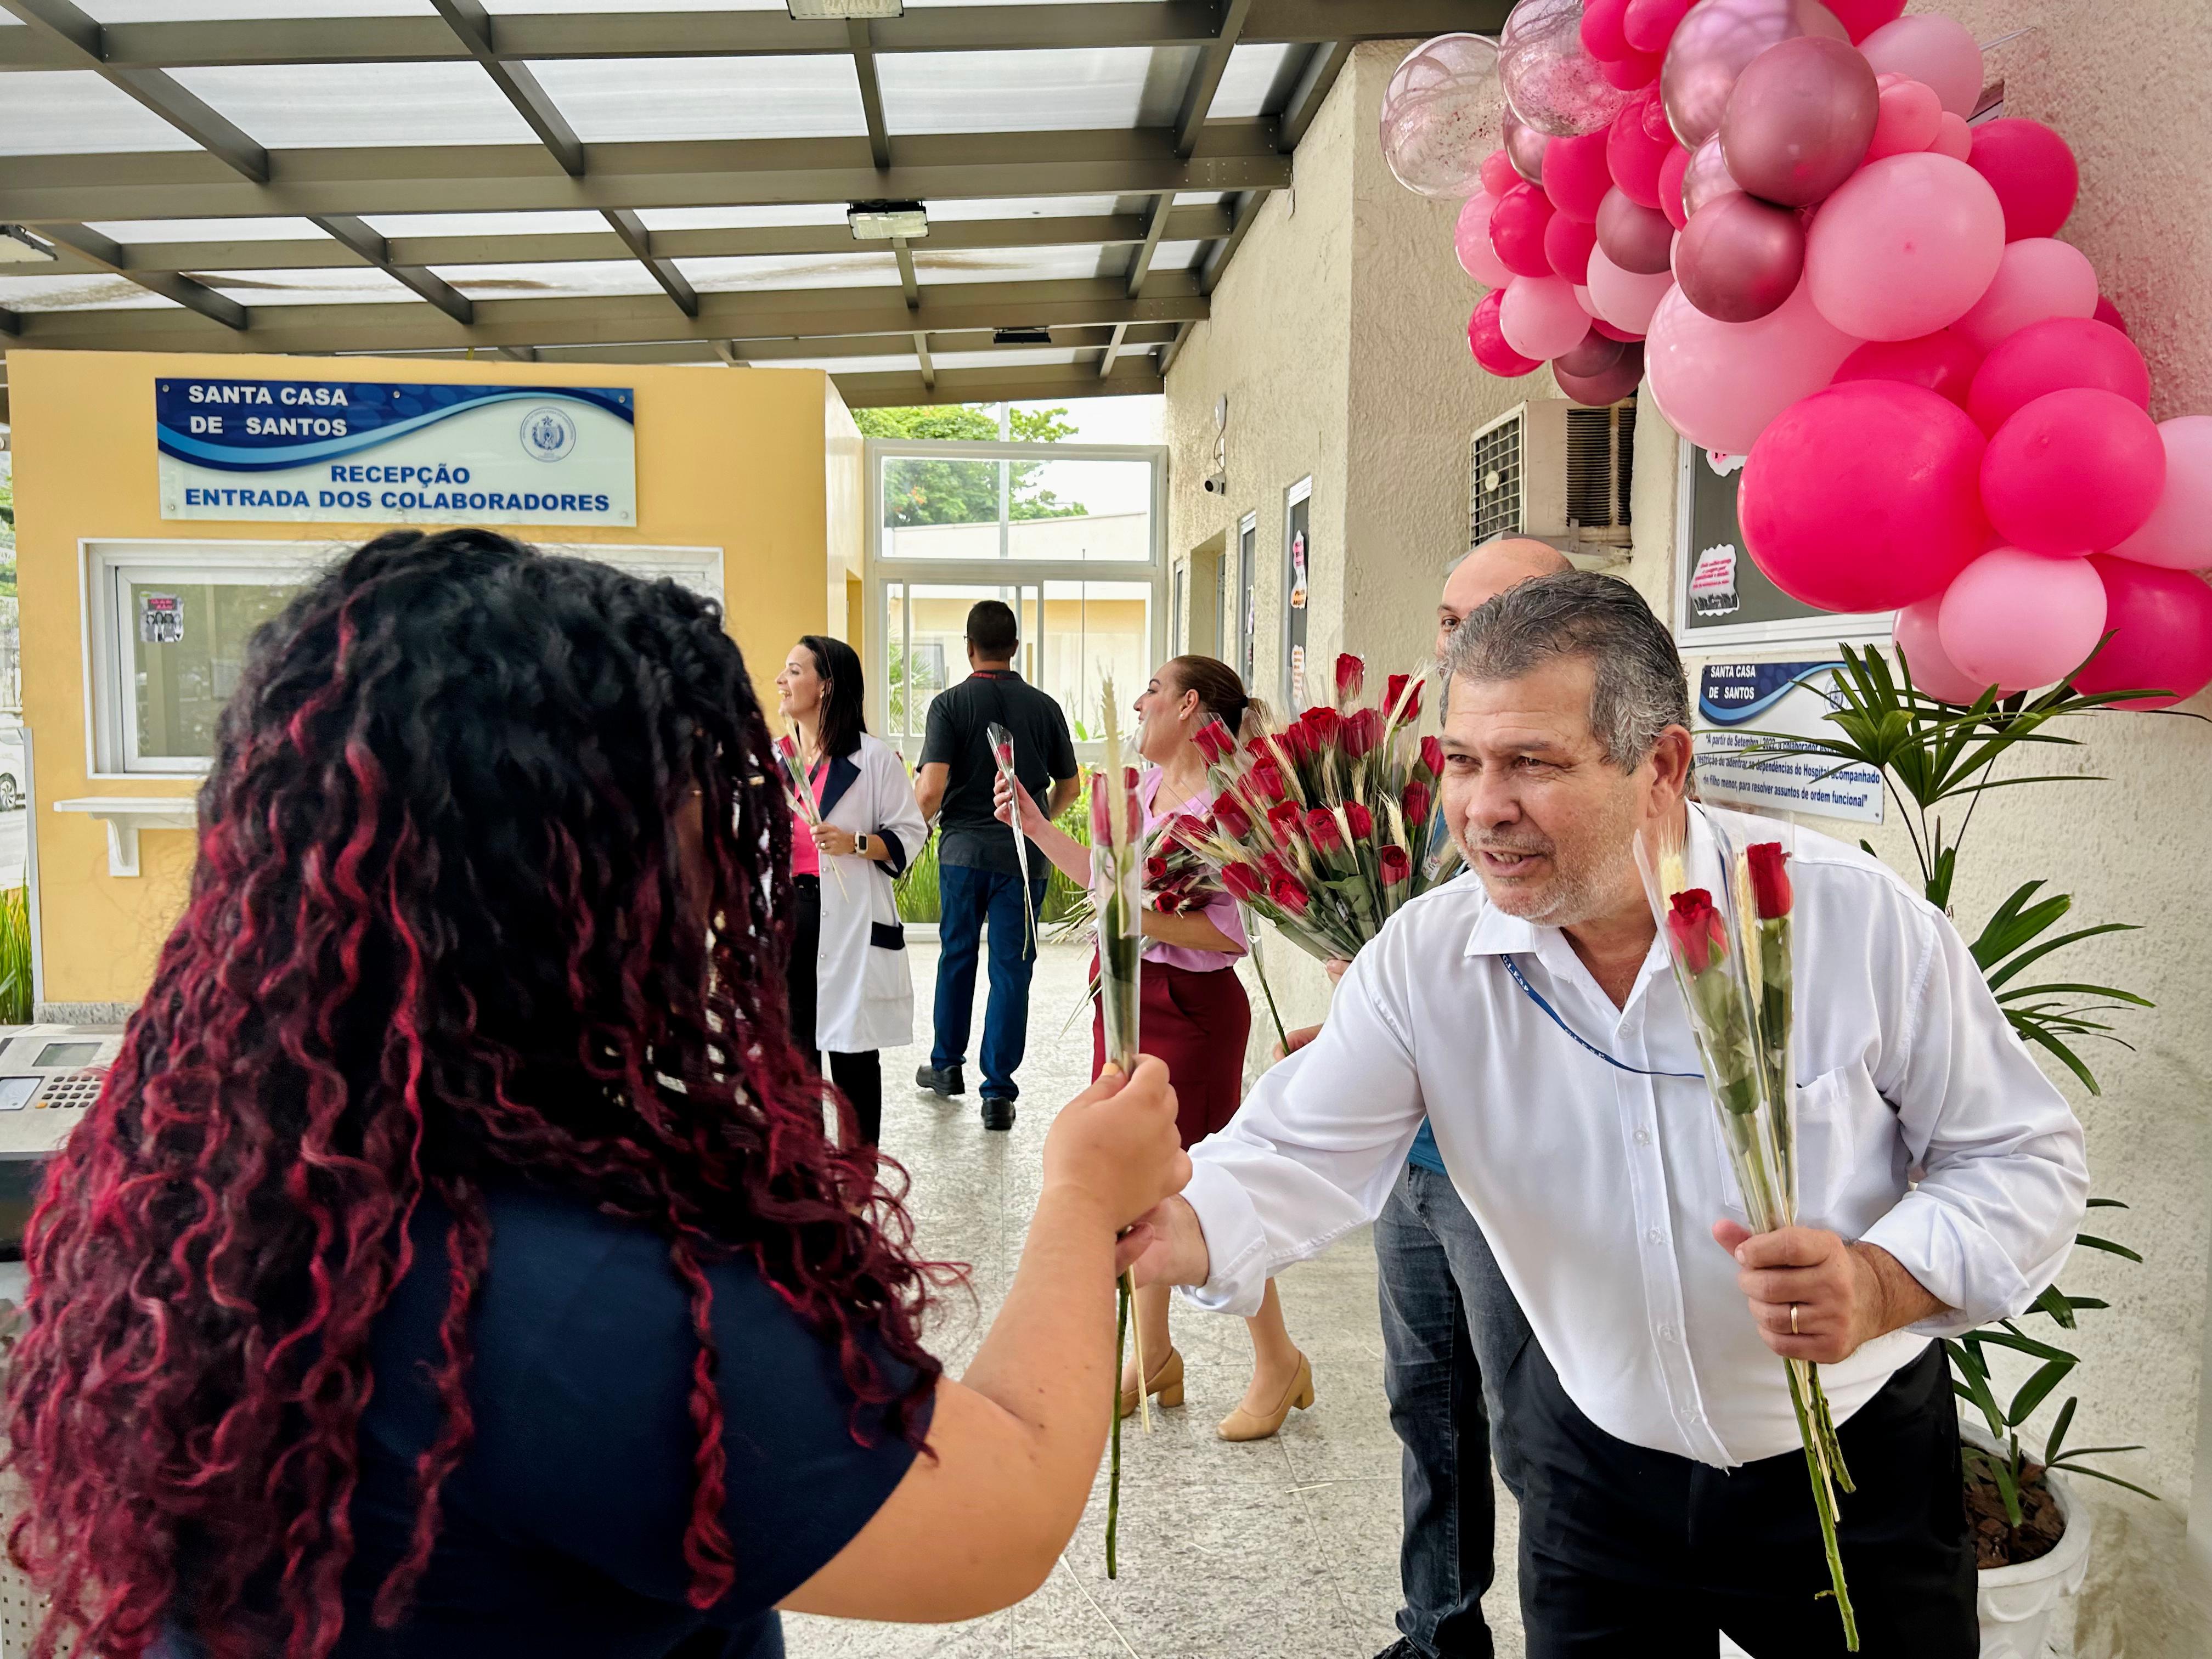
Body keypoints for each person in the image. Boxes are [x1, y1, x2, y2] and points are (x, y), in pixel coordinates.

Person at [3, 529, 1192, 1659]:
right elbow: (1004, 1505)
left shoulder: (222, 1173)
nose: (718, 894)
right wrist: (1083, 1197)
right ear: (569, 873)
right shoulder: (571, 1307)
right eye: (695, 830)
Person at [1135, 570, 2088, 1656]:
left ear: (1662, 766)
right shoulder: (1426, 960)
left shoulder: (1848, 922)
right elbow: (1294, 1150)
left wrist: (1880, 1280)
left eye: (1533, 764)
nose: (1482, 808)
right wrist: (1171, 1222)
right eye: (1463, 761)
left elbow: (2021, 1161)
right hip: (1590, 1481)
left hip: (1851, 1474)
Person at [1000, 655, 1310, 1441]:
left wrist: (1139, 920)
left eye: (1152, 690)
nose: (1138, 704)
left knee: (1215, 1186)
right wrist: (1035, 826)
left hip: (1193, 1013)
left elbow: (1226, 935)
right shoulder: (1136, 794)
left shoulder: (1230, 809)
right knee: (1133, 1184)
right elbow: (1104, 884)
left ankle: (1278, 1361)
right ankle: (1156, 1356)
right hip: (1125, 997)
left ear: (1189, 705)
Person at [913, 599, 1079, 1130]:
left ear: (969, 648)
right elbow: (1071, 787)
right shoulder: (1045, 707)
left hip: (963, 855)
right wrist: (1034, 823)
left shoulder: (948, 705)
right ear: (1015, 648)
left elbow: (930, 790)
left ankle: (946, 1066)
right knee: (1013, 970)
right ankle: (998, 1095)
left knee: (956, 957)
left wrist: (905, 838)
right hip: (1024, 861)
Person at [774, 635, 929, 1149]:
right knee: (795, 1052)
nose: (781, 681)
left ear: (826, 686)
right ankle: (807, 1168)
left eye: (795, 671)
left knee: (853, 1054)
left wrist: (855, 843)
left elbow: (910, 834)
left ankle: (859, 1173)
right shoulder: (777, 759)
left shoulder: (874, 758)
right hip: (788, 915)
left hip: (848, 917)